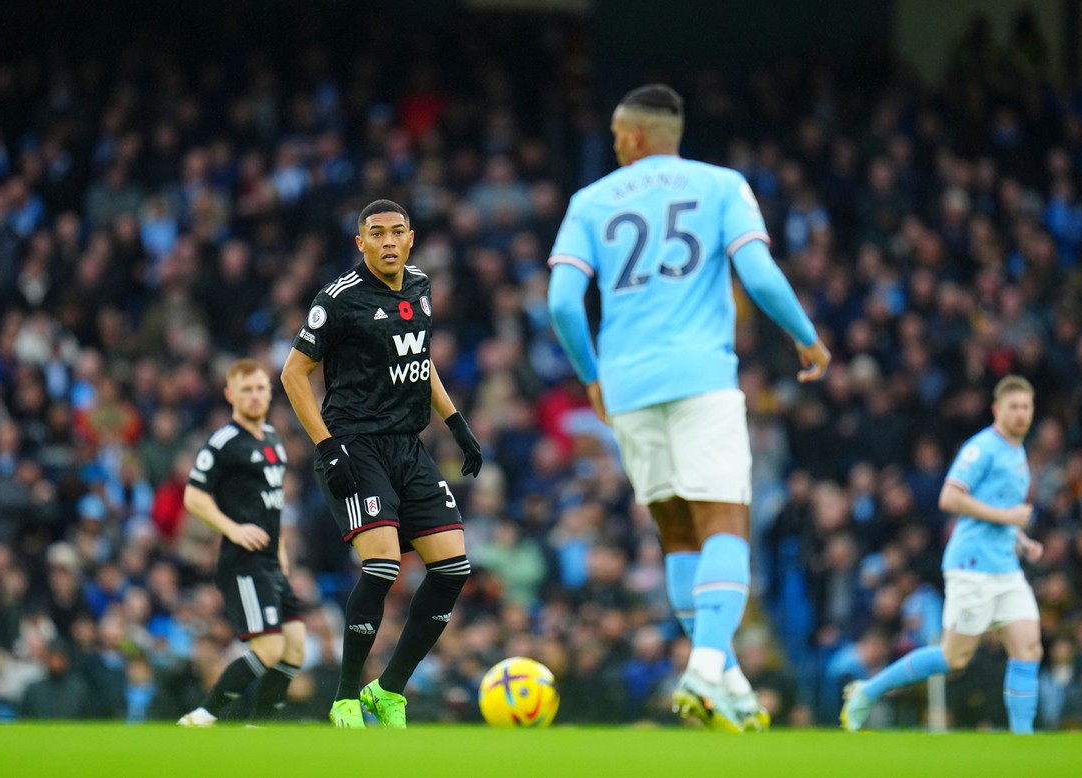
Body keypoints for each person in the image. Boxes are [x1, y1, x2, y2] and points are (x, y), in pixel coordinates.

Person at [546, 84, 830, 732]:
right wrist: (806, 338)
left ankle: (727, 682)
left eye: (620, 134)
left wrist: (591, 376)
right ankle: (704, 670)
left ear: (640, 135)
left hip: (628, 387)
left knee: (677, 533)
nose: (616, 144)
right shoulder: (723, 186)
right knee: (724, 525)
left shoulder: (589, 203)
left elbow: (563, 302)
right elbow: (757, 275)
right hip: (701, 377)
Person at [281, 199, 482, 729]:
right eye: (378, 233)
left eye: (398, 232)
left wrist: (456, 423)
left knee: (454, 569)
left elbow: (419, 360)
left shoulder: (419, 284)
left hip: (407, 446)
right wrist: (326, 446)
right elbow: (293, 375)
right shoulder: (339, 299)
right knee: (383, 566)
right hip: (353, 445)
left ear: (411, 238)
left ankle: (387, 690)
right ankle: (346, 696)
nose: (389, 241)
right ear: (361, 243)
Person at [842, 375, 1043, 734]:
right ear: (997, 410)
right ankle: (866, 692)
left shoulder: (1017, 452)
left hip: (1006, 567)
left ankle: (1022, 741)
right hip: (972, 566)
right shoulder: (980, 449)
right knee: (954, 657)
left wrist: (1020, 538)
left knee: (1028, 649)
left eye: (1026, 407)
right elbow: (950, 497)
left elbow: (999, 508)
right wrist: (1008, 518)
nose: (1020, 414)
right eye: (1013, 407)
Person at [177, 359, 306, 726]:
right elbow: (194, 496)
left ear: (269, 391)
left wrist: (280, 550)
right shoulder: (224, 441)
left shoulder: (273, 440)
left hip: (268, 559)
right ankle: (203, 716)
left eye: (260, 388)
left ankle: (260, 728)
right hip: (242, 561)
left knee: (295, 645)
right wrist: (232, 529)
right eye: (246, 389)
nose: (254, 396)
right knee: (269, 648)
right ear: (230, 394)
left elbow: (272, 504)